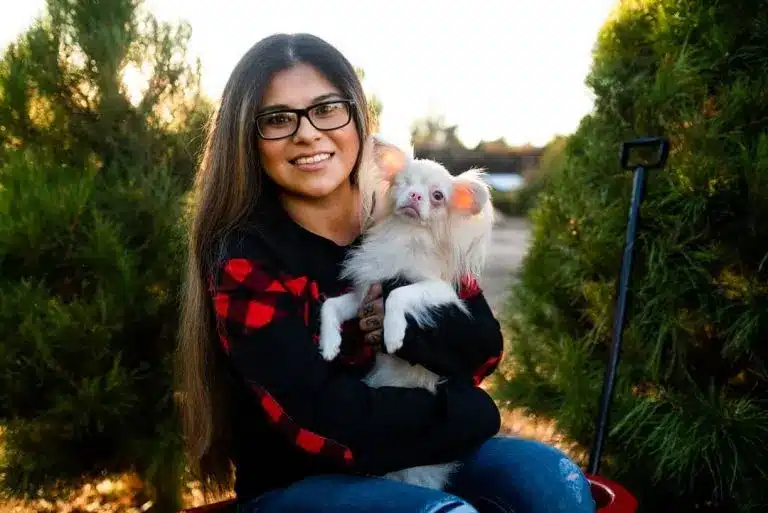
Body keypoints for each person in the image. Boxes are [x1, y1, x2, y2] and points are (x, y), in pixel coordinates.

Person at [175, 32, 596, 513]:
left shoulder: (410, 215)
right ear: (248, 140)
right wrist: (466, 413)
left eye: (327, 108)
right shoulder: (246, 259)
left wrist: (415, 334)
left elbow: (482, 347)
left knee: (554, 482)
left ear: (357, 117)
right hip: (303, 481)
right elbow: (319, 419)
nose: (308, 133)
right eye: (276, 119)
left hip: (425, 452)